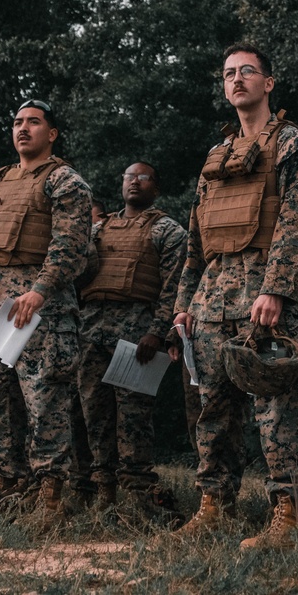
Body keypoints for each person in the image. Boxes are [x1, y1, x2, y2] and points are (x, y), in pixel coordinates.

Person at [173, 43, 298, 549]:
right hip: (212, 302)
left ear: (268, 83)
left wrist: (277, 289)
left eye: (247, 72)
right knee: (213, 410)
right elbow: (196, 239)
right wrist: (183, 304)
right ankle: (214, 506)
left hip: (264, 300)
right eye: (229, 73)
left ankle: (290, 515)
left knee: (277, 409)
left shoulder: (291, 144)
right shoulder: (216, 157)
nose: (237, 80)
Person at [0, 99, 92, 524]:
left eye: (34, 122)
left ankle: (50, 494)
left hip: (41, 310)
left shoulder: (63, 180)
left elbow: (72, 246)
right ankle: (6, 482)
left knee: (45, 401)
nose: (23, 129)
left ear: (51, 133)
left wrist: (39, 292)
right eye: (18, 122)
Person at [75, 161, 187, 523]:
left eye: (144, 177)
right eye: (128, 176)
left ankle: (139, 490)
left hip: (138, 335)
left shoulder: (168, 231)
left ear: (156, 188)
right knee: (94, 412)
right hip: (92, 331)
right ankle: (102, 489)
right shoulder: (96, 229)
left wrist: (158, 331)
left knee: (134, 417)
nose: (135, 182)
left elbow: (175, 285)